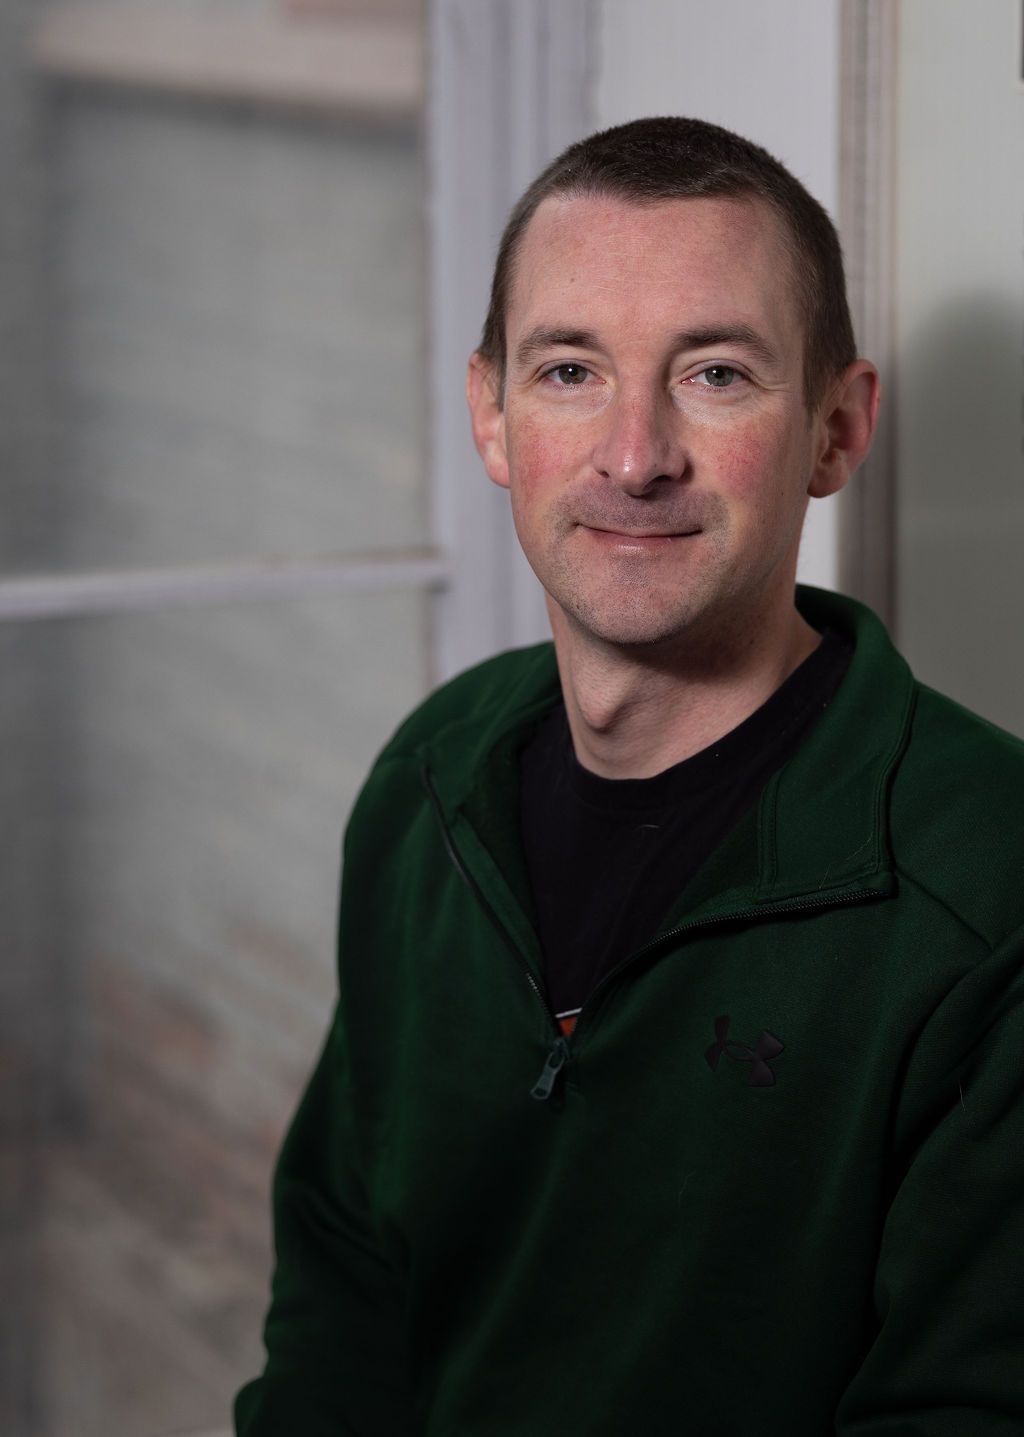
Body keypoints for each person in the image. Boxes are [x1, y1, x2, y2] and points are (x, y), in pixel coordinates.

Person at [234, 117, 1024, 1435]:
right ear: (491, 414)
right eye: (570, 371)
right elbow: (343, 1281)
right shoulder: (430, 783)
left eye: (715, 373)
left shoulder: (990, 896)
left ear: (837, 429)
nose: (635, 453)